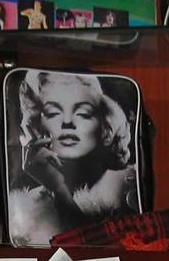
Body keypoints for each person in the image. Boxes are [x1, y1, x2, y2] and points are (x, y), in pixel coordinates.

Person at [7, 70, 140, 247]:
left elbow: (93, 249)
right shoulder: (27, 206)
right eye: (53, 113)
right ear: (37, 125)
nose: (68, 122)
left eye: (83, 113)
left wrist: (59, 190)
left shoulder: (125, 183)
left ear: (105, 125)